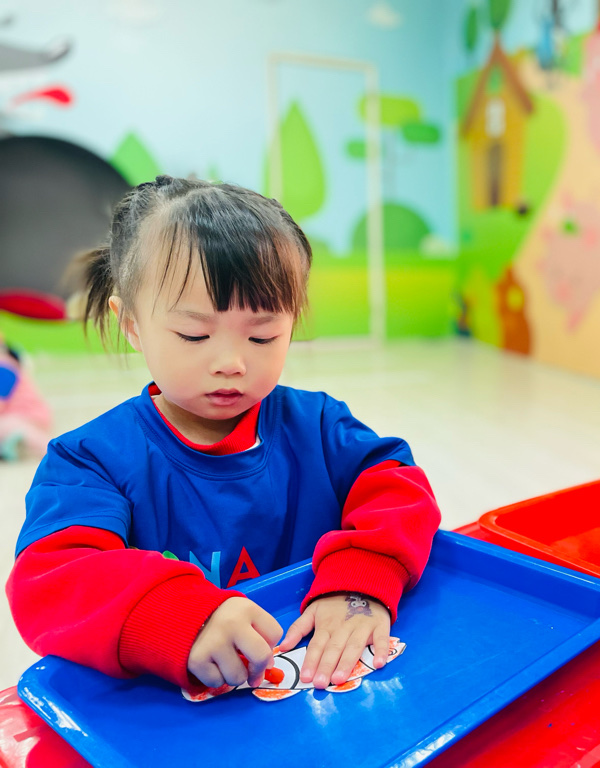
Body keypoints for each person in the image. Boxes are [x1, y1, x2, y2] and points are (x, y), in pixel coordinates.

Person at [6, 176, 441, 693]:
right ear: (132, 325)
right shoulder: (89, 460)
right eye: (195, 334)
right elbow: (50, 579)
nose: (231, 363)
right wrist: (176, 616)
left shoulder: (319, 426)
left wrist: (361, 581)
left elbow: (398, 487)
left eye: (262, 335)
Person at [0, 334, 51, 460]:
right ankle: (11, 446)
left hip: (28, 417)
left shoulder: (5, 368)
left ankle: (49, 450)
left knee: (9, 425)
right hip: (13, 417)